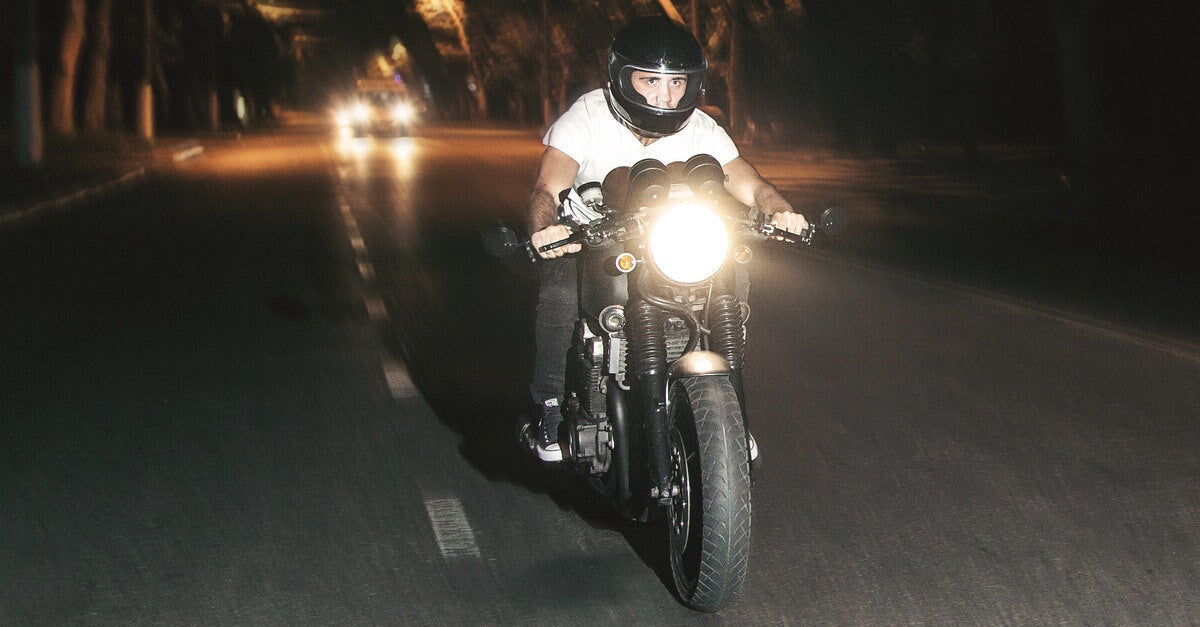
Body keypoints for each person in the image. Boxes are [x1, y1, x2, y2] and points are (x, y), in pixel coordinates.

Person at [526, 16, 809, 462]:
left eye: (676, 82)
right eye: (650, 81)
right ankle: (549, 405)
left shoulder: (702, 128)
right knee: (559, 292)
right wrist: (546, 228)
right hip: (594, 238)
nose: (665, 96)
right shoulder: (587, 116)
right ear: (623, 78)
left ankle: (729, 410)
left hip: (670, 239)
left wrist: (781, 211)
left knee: (733, 270)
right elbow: (547, 186)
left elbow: (749, 183)